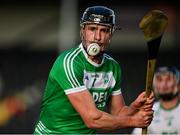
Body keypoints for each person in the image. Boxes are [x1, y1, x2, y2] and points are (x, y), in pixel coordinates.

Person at [34, 6, 154, 134]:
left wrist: (134, 107)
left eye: (104, 31)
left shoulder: (113, 67)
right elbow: (92, 119)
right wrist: (133, 121)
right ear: (83, 31)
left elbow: (118, 113)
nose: (98, 37)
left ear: (111, 34)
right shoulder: (69, 63)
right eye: (92, 29)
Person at [132, 66, 180, 134]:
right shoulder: (148, 110)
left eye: (168, 79)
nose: (163, 85)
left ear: (178, 84)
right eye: (160, 80)